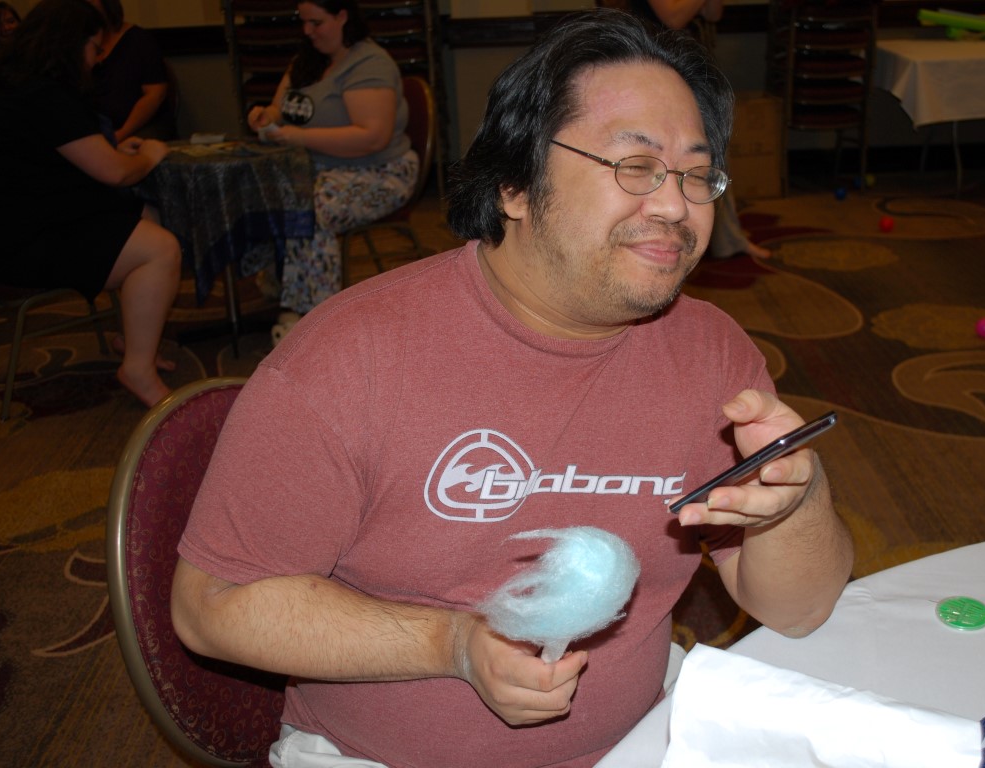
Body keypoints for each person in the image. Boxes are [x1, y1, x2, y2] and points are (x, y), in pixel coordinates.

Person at [171, 9, 852, 768]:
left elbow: (799, 611)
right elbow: (211, 607)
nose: (674, 205)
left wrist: (797, 501)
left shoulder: (711, 352)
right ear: (515, 185)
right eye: (634, 165)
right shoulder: (349, 358)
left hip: (641, 738)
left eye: (696, 174)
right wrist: (452, 643)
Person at [0, 0, 181, 408]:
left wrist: (112, 151)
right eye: (94, 47)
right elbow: (115, 174)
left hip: (28, 218)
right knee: (162, 248)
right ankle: (137, 369)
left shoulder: (18, 83)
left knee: (147, 217)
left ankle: (136, 338)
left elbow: (54, 154)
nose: (97, 59)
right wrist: (149, 156)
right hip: (27, 240)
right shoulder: (46, 95)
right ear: (70, 44)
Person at [246, 0, 418, 332]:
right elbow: (282, 109)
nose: (307, 31)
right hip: (317, 169)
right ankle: (282, 281)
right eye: (303, 22)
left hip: (380, 172)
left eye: (316, 22)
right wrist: (266, 116)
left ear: (342, 16)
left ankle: (315, 320)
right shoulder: (308, 59)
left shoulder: (369, 64)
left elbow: (372, 137)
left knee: (310, 211)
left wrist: (298, 136)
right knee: (257, 192)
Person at [625, 0, 771, 261]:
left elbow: (714, 14)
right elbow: (673, 18)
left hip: (689, 67)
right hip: (652, 69)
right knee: (670, 163)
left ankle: (727, 237)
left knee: (712, 155)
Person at [85, 0, 175, 143]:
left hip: (140, 127)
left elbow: (155, 94)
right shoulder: (77, 46)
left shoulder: (139, 40)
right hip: (95, 128)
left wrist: (120, 134)